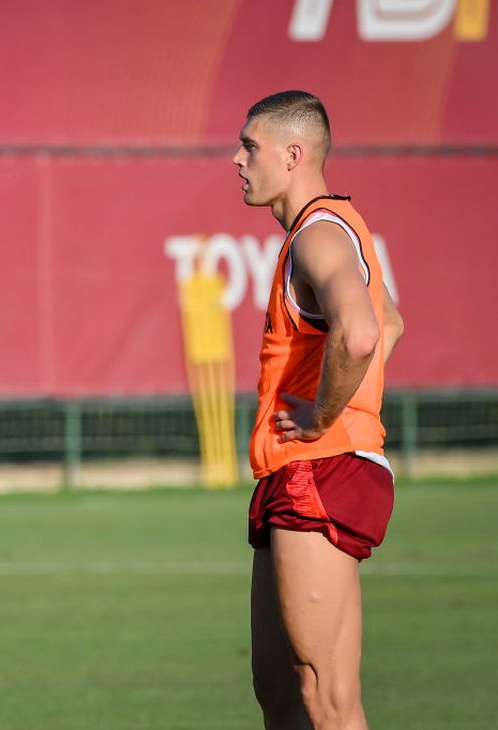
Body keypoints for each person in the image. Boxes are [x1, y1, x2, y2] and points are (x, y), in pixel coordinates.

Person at [232, 90, 404, 730]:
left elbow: (360, 334)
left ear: (293, 154)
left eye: (251, 146)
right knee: (280, 692)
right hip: (297, 473)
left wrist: (322, 415)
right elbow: (390, 324)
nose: (238, 158)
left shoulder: (318, 235)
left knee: (327, 700)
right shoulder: (329, 229)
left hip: (318, 470)